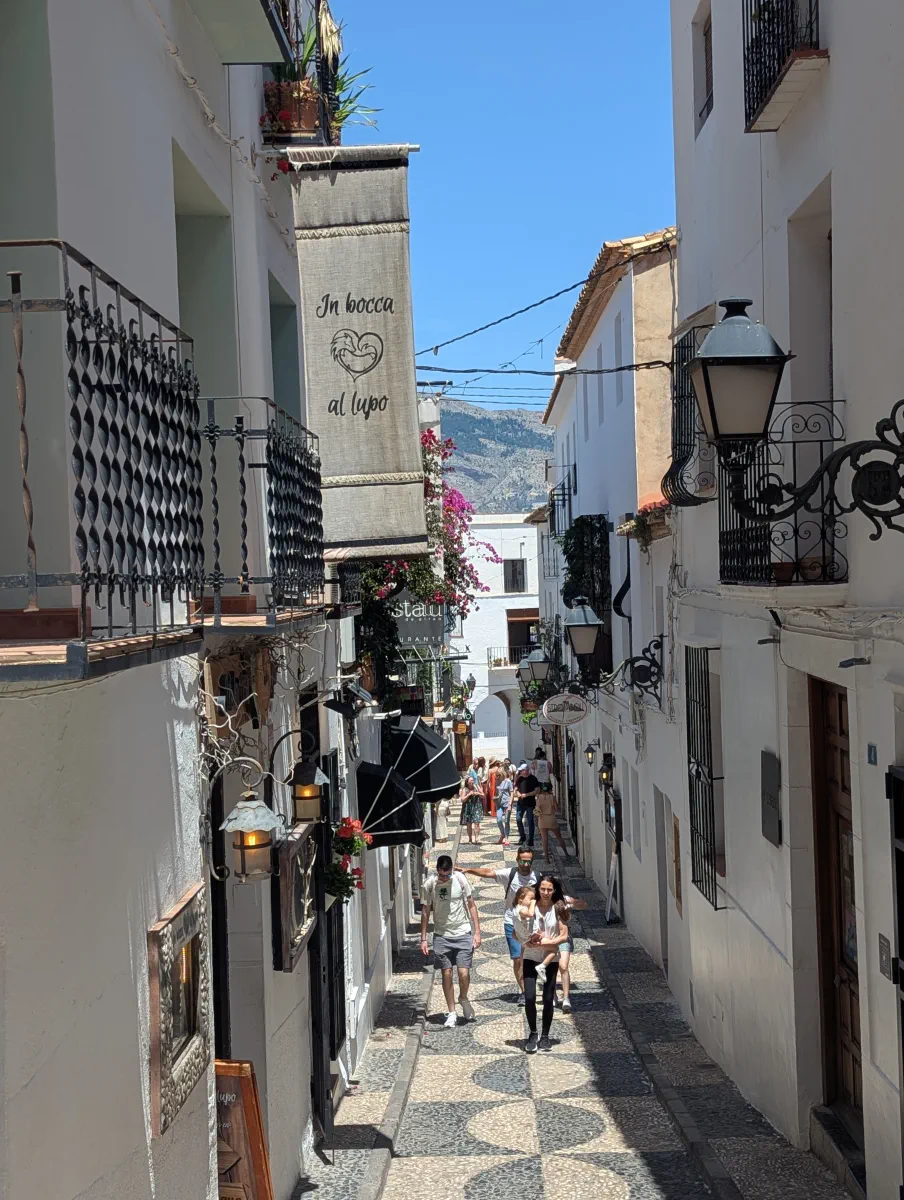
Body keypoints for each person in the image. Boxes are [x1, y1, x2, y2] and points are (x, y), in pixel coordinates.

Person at [463, 846, 537, 1004]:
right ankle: (524, 991)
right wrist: (468, 870)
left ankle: (536, 986)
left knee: (533, 959)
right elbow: (488, 872)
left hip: (532, 925)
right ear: (517, 860)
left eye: (528, 861)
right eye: (523, 860)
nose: (525, 864)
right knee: (518, 960)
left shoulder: (537, 877)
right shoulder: (510, 874)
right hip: (512, 923)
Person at [420, 853, 482, 1027]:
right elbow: (425, 911)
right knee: (446, 973)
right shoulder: (430, 884)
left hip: (463, 932)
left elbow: (471, 905)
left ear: (452, 870)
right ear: (437, 870)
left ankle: (463, 997)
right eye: (441, 875)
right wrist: (423, 938)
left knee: (464, 973)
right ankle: (452, 1011)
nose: (444, 878)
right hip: (441, 935)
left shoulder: (460, 880)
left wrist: (477, 932)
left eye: (447, 875)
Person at [513, 874, 570, 1052]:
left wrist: (548, 943)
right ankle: (532, 1033)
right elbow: (515, 930)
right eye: (542, 889)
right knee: (529, 996)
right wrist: (524, 942)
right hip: (530, 956)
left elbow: (564, 935)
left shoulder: (558, 908)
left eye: (549, 889)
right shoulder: (531, 906)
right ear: (538, 889)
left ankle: (545, 1035)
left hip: (550, 959)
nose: (545, 892)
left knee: (547, 999)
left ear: (554, 891)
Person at [536, 783, 567, 861]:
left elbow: (537, 810)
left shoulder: (538, 797)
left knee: (544, 839)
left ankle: (546, 858)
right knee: (559, 837)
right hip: (551, 819)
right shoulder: (552, 797)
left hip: (542, 819)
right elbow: (556, 809)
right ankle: (566, 853)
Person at [514, 762, 540, 848]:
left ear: (526, 771)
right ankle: (522, 837)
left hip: (530, 804)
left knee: (530, 821)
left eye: (521, 770)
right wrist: (517, 793)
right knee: (518, 819)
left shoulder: (533, 779)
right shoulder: (519, 779)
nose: (520, 772)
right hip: (520, 803)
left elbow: (537, 790)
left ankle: (531, 839)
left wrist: (527, 794)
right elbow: (516, 788)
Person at [459, 773, 483, 844]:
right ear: (467, 782)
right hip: (468, 807)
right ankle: (470, 838)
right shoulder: (465, 789)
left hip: (476, 807)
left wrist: (478, 793)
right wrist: (469, 794)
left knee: (476, 823)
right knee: (469, 824)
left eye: (473, 780)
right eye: (471, 780)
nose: (473, 781)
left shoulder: (477, 786)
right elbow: (462, 799)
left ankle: (476, 838)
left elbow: (483, 795)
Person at [494, 765, 514, 845]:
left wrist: (510, 804)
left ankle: (506, 837)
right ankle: (502, 834)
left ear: (503, 773)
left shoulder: (508, 781)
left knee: (506, 821)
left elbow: (511, 793)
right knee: (499, 820)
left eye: (499, 774)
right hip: (499, 803)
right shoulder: (497, 781)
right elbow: (496, 792)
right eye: (497, 775)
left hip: (506, 803)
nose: (498, 776)